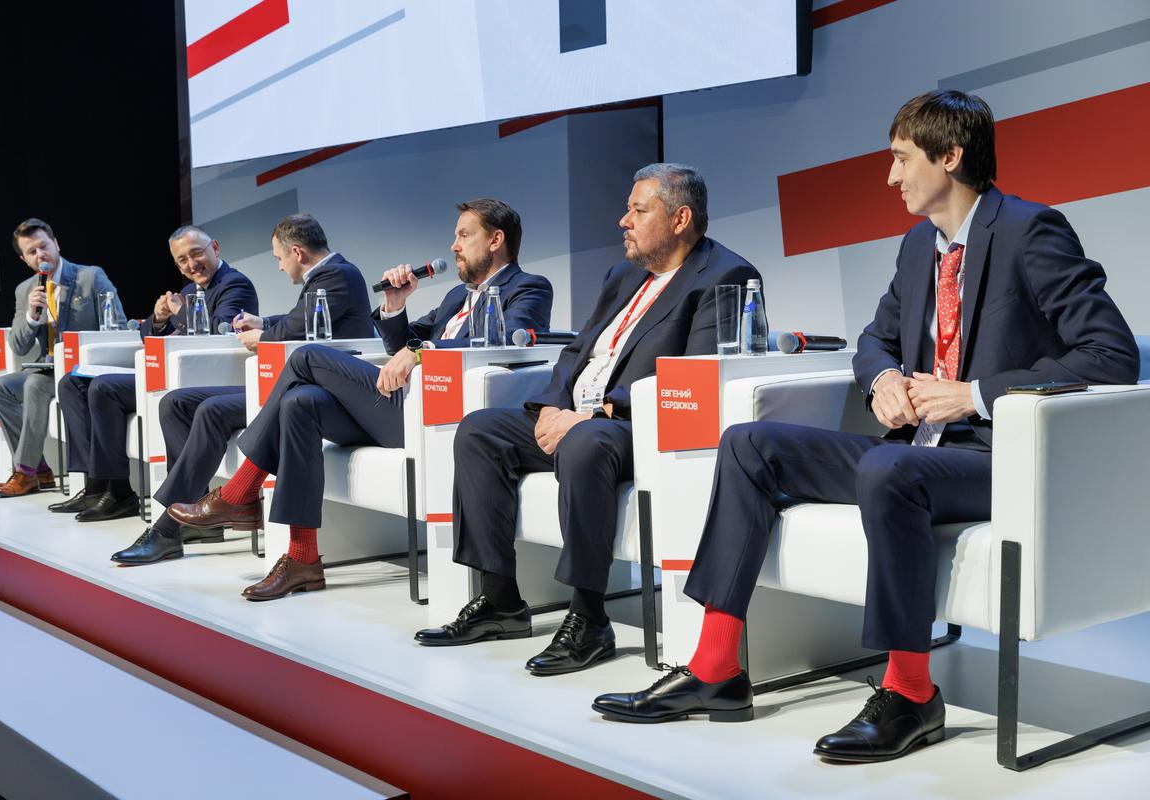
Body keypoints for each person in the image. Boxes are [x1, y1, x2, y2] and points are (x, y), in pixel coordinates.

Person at [591, 91, 1139, 763]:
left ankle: (911, 692)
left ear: (950, 156)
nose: (890, 175)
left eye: (902, 159)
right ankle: (716, 668)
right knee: (749, 444)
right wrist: (881, 380)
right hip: (913, 452)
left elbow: (1111, 354)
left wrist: (972, 395)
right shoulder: (919, 246)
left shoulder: (1030, 231)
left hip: (997, 456)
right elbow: (874, 341)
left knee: (888, 467)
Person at [414, 164, 759, 679]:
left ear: (680, 219)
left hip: (637, 426)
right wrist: (552, 407)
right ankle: (501, 602)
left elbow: (694, 379)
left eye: (638, 210)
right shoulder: (623, 276)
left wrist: (589, 415)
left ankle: (589, 618)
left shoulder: (725, 275)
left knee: (585, 443)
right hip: (577, 414)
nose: (624, 221)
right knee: (480, 431)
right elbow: (576, 352)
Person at [160, 199, 553, 595]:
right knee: (301, 403)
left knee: (307, 356)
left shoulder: (529, 287)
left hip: (441, 417)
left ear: (495, 240)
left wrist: (422, 351)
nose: (454, 246)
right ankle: (302, 559)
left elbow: (506, 340)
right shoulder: (455, 297)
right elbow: (401, 343)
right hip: (401, 404)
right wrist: (395, 307)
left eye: (464, 236)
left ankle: (240, 490)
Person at [110, 212, 377, 564]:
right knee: (176, 403)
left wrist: (263, 336)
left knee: (212, 410)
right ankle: (193, 509)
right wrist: (263, 322)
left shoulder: (337, 274)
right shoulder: (327, 276)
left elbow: (295, 328)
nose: (279, 266)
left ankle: (168, 529)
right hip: (296, 384)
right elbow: (298, 319)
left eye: (278, 258)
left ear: (297, 252)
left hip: (321, 395)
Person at [52, 225, 258, 521]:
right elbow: (147, 335)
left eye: (196, 253)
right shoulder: (189, 291)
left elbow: (220, 330)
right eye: (182, 260)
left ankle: (119, 493)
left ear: (214, 248)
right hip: (170, 372)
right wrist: (160, 318)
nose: (191, 264)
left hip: (202, 378)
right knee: (73, 383)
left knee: (104, 388)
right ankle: (97, 484)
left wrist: (178, 311)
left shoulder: (234, 284)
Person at [0, 218, 127, 497]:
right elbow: (17, 346)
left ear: (56, 244)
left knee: (35, 384)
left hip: (82, 368)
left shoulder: (90, 277)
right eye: (32, 252)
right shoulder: (25, 290)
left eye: (44, 246)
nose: (40, 255)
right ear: (24, 259)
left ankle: (24, 472)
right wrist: (31, 316)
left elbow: (118, 327)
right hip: (47, 367)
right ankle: (40, 468)